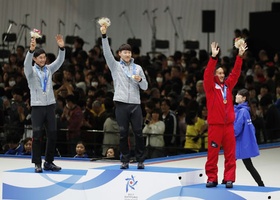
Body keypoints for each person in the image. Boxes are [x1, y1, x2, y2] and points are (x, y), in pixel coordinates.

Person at [100, 21, 148, 169]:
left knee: (139, 133)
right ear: (119, 54)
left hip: (135, 104)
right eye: (124, 52)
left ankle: (140, 160)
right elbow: (107, 53)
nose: (127, 54)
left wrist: (140, 80)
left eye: (129, 52)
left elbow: (145, 87)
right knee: (122, 133)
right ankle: (125, 160)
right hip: (121, 103)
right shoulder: (115, 66)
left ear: (131, 54)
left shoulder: (138, 68)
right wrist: (104, 35)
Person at [204, 41, 247, 188]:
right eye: (219, 73)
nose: (222, 75)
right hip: (215, 126)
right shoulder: (210, 87)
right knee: (212, 154)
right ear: (215, 74)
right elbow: (207, 73)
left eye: (223, 73)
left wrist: (240, 56)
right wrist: (213, 58)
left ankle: (229, 178)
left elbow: (235, 72)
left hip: (228, 126)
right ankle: (211, 178)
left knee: (230, 154)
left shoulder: (228, 86)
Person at [24, 34, 65, 173]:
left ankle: (49, 162)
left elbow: (59, 62)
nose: (43, 59)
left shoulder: (49, 69)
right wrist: (31, 50)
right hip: (37, 107)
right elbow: (25, 64)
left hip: (50, 106)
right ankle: (37, 163)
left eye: (44, 57)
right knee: (37, 135)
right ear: (35, 59)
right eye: (40, 57)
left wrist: (62, 48)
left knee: (52, 134)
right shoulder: (30, 71)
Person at [234, 89, 265, 186]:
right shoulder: (245, 110)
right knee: (248, 165)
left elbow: (237, 129)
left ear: (244, 98)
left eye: (238, 95)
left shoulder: (242, 111)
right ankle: (261, 184)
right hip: (243, 143)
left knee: (230, 163)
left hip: (239, 143)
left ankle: (225, 181)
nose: (235, 96)